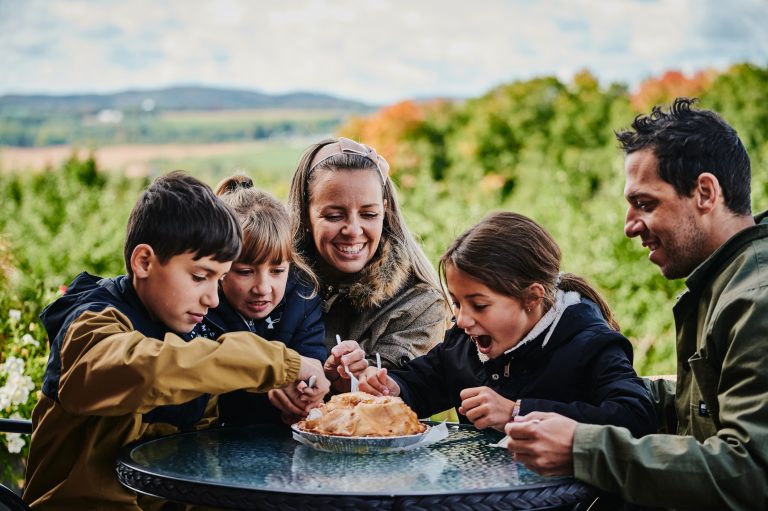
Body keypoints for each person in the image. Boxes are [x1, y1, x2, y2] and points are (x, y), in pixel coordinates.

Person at [504, 98, 768, 511]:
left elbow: (751, 472)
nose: (629, 226)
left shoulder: (755, 299)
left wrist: (583, 448)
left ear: (705, 192)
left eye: (645, 204)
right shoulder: (725, 281)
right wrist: (588, 387)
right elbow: (700, 408)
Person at [22, 172, 329, 510]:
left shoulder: (184, 334)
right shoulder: (92, 324)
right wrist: (280, 363)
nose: (213, 299)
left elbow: (196, 465)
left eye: (220, 279)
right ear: (143, 262)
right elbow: (146, 369)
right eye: (199, 277)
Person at [359, 211, 656, 435]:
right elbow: (424, 382)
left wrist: (518, 412)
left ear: (532, 298)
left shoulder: (590, 344)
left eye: (479, 305)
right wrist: (393, 388)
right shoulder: (464, 343)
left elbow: (636, 417)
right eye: (458, 302)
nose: (462, 319)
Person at [287, 137, 451, 384]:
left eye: (369, 214)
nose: (353, 230)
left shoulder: (421, 303)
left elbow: (396, 398)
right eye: (333, 215)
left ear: (385, 212)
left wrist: (344, 379)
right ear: (305, 214)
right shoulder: (270, 285)